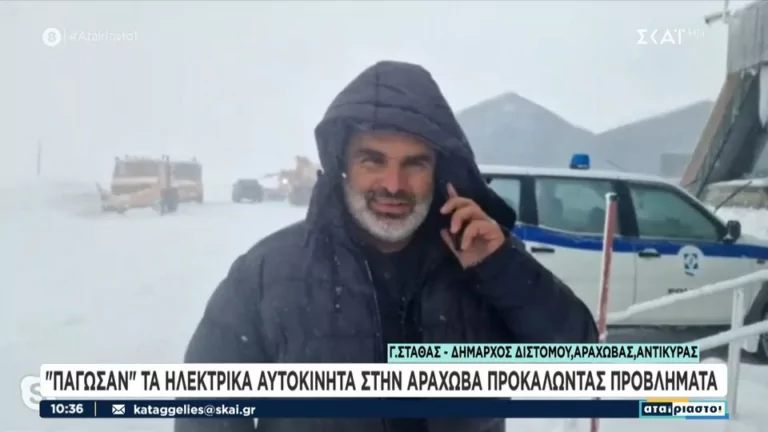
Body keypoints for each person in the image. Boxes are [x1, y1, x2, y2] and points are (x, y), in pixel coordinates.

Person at [175, 61, 598, 432]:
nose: (393, 185)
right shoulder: (267, 274)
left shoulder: (483, 265)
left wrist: (502, 267)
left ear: (439, 172)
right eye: (372, 160)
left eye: (414, 163)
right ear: (343, 166)